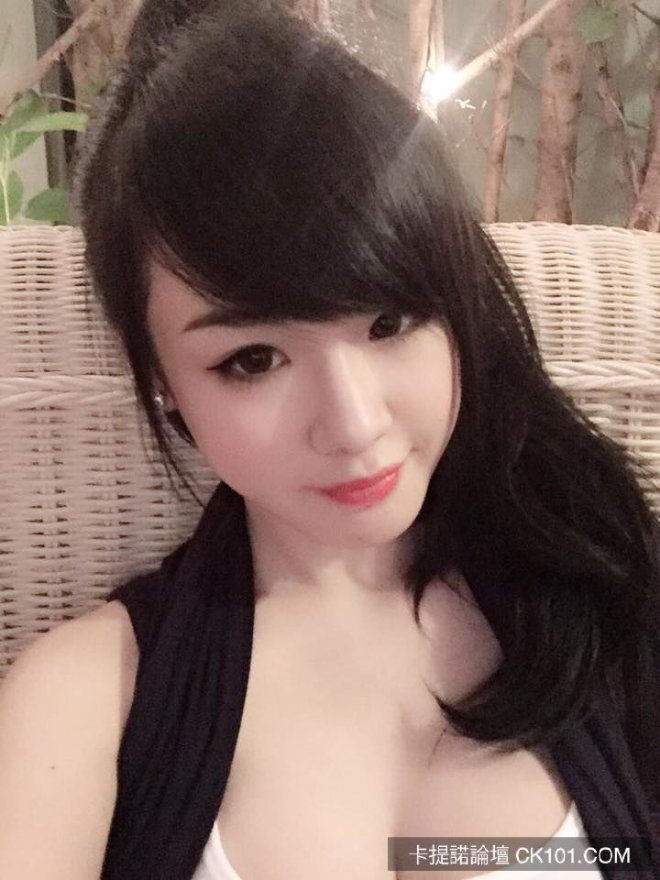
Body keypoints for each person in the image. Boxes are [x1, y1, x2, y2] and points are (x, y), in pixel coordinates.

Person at [0, 1, 658, 878]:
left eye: (390, 321)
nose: (354, 424)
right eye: (254, 359)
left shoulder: (613, 596)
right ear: (161, 379)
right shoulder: (88, 700)